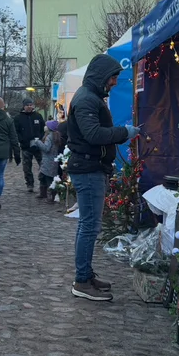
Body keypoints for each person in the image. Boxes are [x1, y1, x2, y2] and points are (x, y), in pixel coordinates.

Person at [66, 54, 139, 302]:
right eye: (113, 77)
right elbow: (94, 134)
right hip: (88, 169)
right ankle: (82, 281)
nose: (115, 82)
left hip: (91, 167)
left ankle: (85, 275)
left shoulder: (90, 96)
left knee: (87, 225)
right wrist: (124, 133)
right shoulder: (87, 99)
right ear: (102, 76)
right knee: (89, 226)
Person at [14, 98, 45, 192]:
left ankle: (43, 183)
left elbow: (43, 129)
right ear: (24, 106)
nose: (30, 106)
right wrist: (22, 140)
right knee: (27, 167)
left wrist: (40, 138)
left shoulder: (38, 116)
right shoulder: (18, 118)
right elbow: (16, 131)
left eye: (31, 105)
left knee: (43, 165)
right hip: (26, 146)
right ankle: (30, 184)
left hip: (38, 145)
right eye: (28, 105)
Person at [32, 120, 60, 202]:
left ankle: (51, 196)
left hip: (48, 161)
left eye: (46, 126)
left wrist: (38, 142)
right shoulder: (55, 135)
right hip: (52, 161)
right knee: (43, 177)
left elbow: (46, 148)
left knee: (48, 179)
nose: (45, 127)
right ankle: (44, 193)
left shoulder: (49, 137)